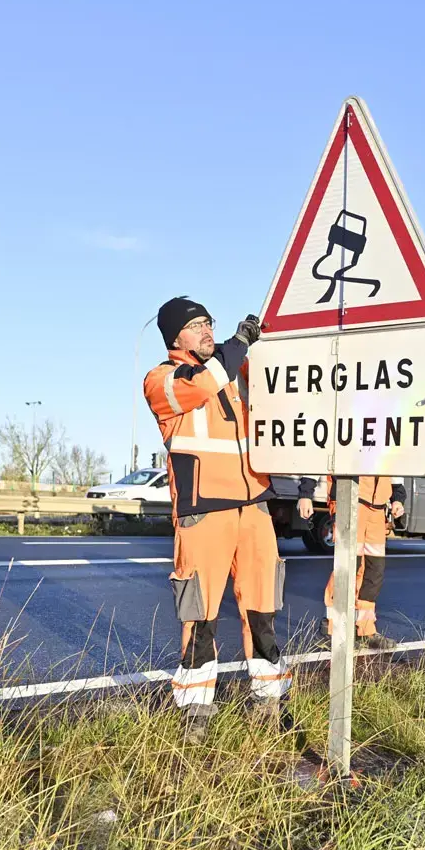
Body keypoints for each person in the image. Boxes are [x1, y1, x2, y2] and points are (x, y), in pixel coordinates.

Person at [142, 297, 290, 740]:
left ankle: (269, 700)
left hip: (254, 506)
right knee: (200, 614)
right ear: (175, 338)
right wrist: (236, 344)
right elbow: (201, 384)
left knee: (263, 608)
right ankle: (195, 713)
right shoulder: (162, 379)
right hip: (203, 510)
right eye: (195, 325)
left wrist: (259, 346)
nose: (206, 330)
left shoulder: (233, 375)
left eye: (209, 322)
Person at [296, 474, 406, 651]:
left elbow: (392, 464)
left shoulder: (388, 444)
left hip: (378, 509)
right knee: (348, 566)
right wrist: (305, 493)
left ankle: (365, 630)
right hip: (349, 499)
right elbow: (322, 453)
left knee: (373, 571)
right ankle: (330, 629)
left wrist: (398, 498)